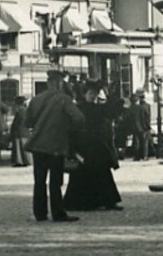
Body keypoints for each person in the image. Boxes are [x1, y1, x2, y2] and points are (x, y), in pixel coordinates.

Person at [24, 69, 85, 223]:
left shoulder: (36, 99)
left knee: (39, 181)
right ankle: (58, 213)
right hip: (56, 146)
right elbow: (79, 118)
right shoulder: (64, 99)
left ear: (47, 83)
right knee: (55, 181)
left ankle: (40, 213)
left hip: (38, 146)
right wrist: (68, 129)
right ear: (59, 83)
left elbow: (28, 122)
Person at [64, 82, 123, 212]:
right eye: (90, 93)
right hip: (83, 146)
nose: (93, 96)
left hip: (97, 146)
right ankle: (81, 203)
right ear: (84, 94)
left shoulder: (98, 108)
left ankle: (108, 201)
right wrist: (72, 148)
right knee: (81, 175)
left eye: (95, 94)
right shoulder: (78, 108)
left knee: (103, 174)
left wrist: (109, 93)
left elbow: (114, 111)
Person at [9, 96, 29, 166]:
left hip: (19, 132)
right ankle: (24, 161)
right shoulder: (25, 110)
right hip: (24, 131)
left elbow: (16, 123)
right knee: (22, 148)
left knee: (18, 148)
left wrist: (12, 130)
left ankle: (20, 162)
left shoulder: (20, 111)